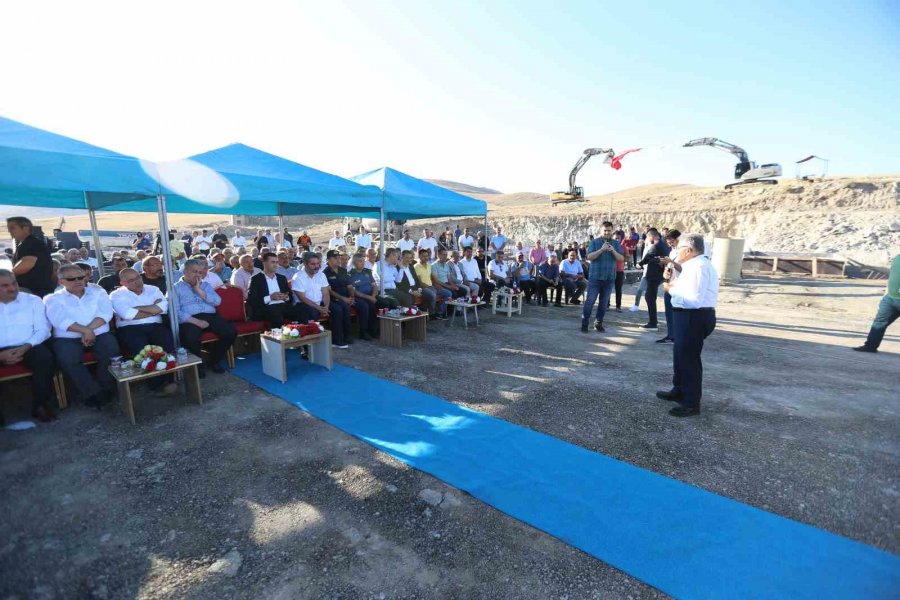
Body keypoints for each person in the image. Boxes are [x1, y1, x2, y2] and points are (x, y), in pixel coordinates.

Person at [657, 234, 719, 417]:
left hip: (694, 316)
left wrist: (670, 289)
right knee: (680, 356)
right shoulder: (690, 266)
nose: (676, 250)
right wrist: (671, 281)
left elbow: (694, 299)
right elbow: (686, 289)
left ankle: (691, 402)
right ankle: (679, 390)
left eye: (679, 247)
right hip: (685, 316)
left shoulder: (699, 266)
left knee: (689, 360)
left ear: (689, 250)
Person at [45, 263, 119, 407]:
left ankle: (105, 387)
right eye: (72, 279)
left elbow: (105, 313)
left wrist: (88, 331)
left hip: (99, 333)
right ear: (61, 281)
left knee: (111, 351)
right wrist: (85, 331)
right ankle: (93, 392)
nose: (78, 281)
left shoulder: (98, 292)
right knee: (69, 358)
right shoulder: (52, 298)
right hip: (68, 338)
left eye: (81, 277)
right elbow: (60, 320)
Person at [0, 269, 57, 422]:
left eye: (14, 283)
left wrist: (26, 347)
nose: (12, 288)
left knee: (44, 358)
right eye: (4, 285)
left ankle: (40, 404)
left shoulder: (32, 300)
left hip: (29, 345)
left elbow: (43, 329)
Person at [110, 268, 178, 395]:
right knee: (143, 349)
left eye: (138, 277)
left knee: (166, 343)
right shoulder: (116, 295)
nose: (137, 282)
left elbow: (163, 308)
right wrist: (152, 310)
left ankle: (169, 380)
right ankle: (156, 385)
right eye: (131, 280)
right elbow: (127, 314)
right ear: (123, 283)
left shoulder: (153, 289)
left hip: (155, 325)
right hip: (129, 327)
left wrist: (137, 309)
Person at [175, 259, 236, 376]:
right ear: (185, 271)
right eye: (194, 272)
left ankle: (214, 360)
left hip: (210, 316)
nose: (198, 275)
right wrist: (197, 322)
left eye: (200, 272)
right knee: (190, 337)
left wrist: (199, 290)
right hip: (190, 319)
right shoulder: (175, 288)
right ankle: (197, 365)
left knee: (230, 331)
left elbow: (217, 301)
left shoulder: (205, 285)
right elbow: (175, 311)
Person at [291, 252, 347, 348]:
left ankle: (336, 340)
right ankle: (311, 344)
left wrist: (326, 307)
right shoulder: (298, 277)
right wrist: (319, 308)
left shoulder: (321, 275)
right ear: (305, 264)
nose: (316, 266)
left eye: (318, 264)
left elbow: (325, 293)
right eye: (313, 264)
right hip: (303, 304)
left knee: (337, 309)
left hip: (319, 303)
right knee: (312, 312)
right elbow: (302, 298)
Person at [580, 222, 624, 332]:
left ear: (612, 230)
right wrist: (601, 250)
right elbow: (589, 257)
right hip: (595, 277)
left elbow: (621, 258)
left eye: (609, 230)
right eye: (605, 230)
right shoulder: (594, 242)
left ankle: (598, 323)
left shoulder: (615, 243)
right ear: (601, 230)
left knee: (603, 303)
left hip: (609, 278)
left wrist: (613, 250)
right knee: (590, 301)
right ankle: (585, 323)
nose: (607, 232)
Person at [854, 254, 900, 353]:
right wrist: (886, 293)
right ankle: (870, 346)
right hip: (890, 298)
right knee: (879, 322)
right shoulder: (897, 257)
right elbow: (893, 275)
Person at [248, 252, 300, 324]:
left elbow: (290, 297)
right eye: (272, 262)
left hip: (282, 306)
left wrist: (286, 297)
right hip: (266, 308)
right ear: (264, 263)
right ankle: (278, 334)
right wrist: (271, 297)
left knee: (302, 311)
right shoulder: (256, 279)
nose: (275, 265)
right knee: (276, 313)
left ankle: (300, 332)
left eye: (276, 262)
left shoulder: (281, 278)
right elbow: (252, 301)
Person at [7, 216, 53, 297]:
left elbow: (26, 265)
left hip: (32, 291)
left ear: (25, 228)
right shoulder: (26, 243)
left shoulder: (32, 243)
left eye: (12, 228)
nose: (9, 231)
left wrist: (6, 276)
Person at [638, 228, 669, 332]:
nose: (647, 239)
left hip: (653, 276)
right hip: (659, 275)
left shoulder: (656, 246)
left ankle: (653, 323)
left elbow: (646, 258)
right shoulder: (664, 245)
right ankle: (653, 321)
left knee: (650, 298)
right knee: (650, 297)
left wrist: (640, 264)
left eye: (648, 237)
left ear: (653, 237)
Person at [348, 253, 382, 339]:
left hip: (371, 295)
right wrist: (370, 298)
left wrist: (373, 296)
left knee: (384, 302)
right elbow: (354, 292)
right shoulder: (350, 275)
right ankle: (363, 331)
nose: (362, 263)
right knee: (365, 306)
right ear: (354, 263)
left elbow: (374, 286)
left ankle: (377, 329)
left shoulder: (367, 272)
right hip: (358, 298)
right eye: (360, 261)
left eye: (363, 261)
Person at [657, 229, 682, 344]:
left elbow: (684, 269)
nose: (670, 244)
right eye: (668, 242)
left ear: (678, 239)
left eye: (672, 241)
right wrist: (666, 269)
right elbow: (671, 267)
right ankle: (671, 335)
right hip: (670, 284)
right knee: (668, 312)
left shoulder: (684, 252)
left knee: (678, 313)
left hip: (680, 287)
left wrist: (671, 261)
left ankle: (677, 336)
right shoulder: (672, 252)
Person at [431, 248, 462, 312]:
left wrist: (453, 285)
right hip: (438, 285)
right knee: (451, 293)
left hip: (446, 283)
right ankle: (440, 311)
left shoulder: (446, 265)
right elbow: (436, 280)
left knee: (461, 290)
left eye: (446, 254)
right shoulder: (434, 265)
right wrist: (449, 286)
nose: (445, 256)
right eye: (443, 254)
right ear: (438, 255)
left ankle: (455, 310)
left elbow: (449, 278)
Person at [413, 249, 441, 318]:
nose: (426, 258)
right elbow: (419, 282)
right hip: (421, 287)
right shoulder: (416, 266)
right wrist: (430, 287)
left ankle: (424, 309)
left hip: (430, 286)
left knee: (442, 292)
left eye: (427, 256)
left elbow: (432, 278)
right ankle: (432, 314)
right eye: (423, 256)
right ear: (419, 256)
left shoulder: (429, 265)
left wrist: (436, 285)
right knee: (433, 295)